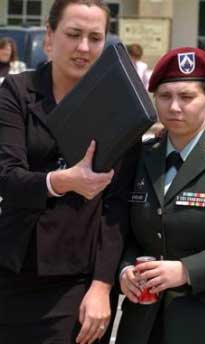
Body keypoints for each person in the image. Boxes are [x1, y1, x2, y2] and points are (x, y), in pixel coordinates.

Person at [0, 1, 138, 344]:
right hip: (12, 269)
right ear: (49, 36)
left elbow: (117, 207)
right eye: (73, 34)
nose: (83, 48)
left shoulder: (121, 105)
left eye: (95, 37)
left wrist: (102, 286)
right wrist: (61, 181)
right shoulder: (17, 92)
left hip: (76, 282)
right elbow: (7, 175)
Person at [116, 47, 205, 344]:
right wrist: (126, 269)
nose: (174, 107)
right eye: (164, 96)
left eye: (187, 97)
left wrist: (185, 271)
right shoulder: (141, 156)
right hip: (144, 324)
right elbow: (124, 231)